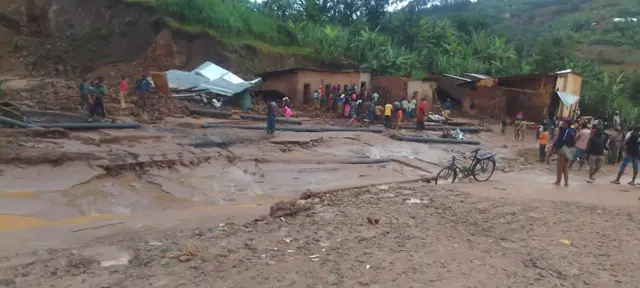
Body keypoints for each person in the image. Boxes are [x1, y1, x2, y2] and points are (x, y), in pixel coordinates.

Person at [552, 120, 576, 187]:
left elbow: (562, 141)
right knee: (565, 168)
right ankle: (566, 183)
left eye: (563, 124)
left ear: (566, 124)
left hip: (564, 149)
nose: (561, 125)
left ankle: (558, 182)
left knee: (560, 167)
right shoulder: (572, 130)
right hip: (571, 150)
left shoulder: (565, 131)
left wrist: (556, 148)